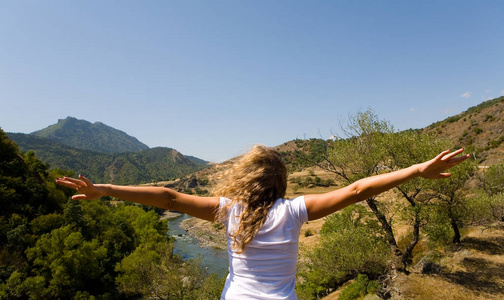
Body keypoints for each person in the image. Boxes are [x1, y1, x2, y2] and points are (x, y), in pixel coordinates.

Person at [55, 145, 470, 299]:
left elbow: (168, 198)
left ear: (243, 177)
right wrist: (416, 170)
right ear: (282, 181)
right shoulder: (294, 212)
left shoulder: (228, 210)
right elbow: (359, 189)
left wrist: (106, 189)